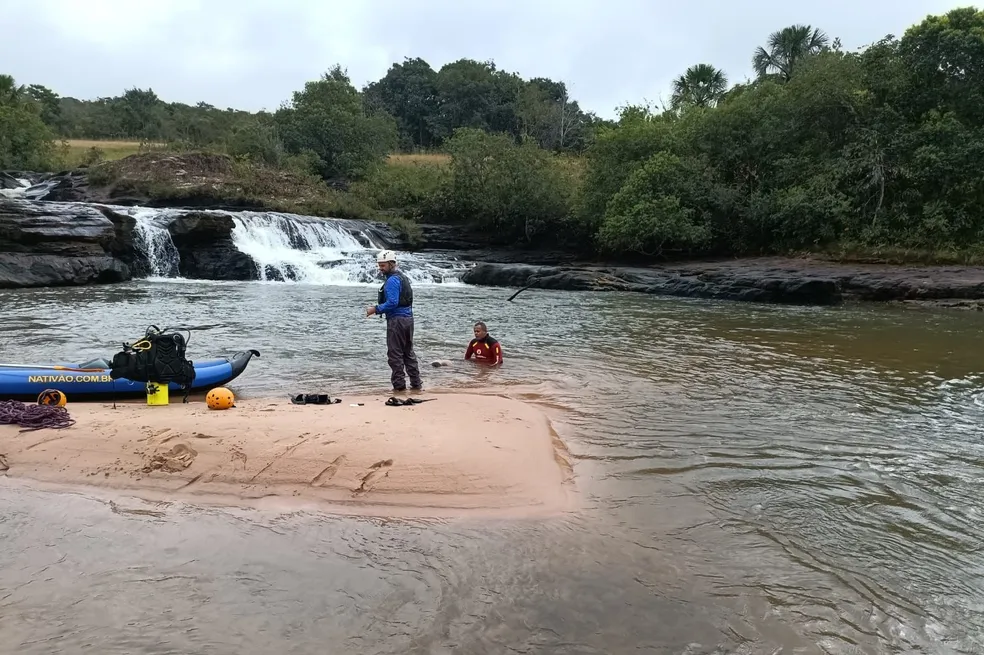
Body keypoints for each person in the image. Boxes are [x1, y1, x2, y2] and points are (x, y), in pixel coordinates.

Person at [366, 250, 422, 391]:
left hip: (396, 321)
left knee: (395, 355)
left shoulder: (392, 280)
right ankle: (416, 384)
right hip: (408, 319)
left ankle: (399, 387)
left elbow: (392, 302)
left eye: (383, 265)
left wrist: (375, 309)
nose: (380, 268)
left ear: (392, 264)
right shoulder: (403, 277)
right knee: (408, 353)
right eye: (379, 265)